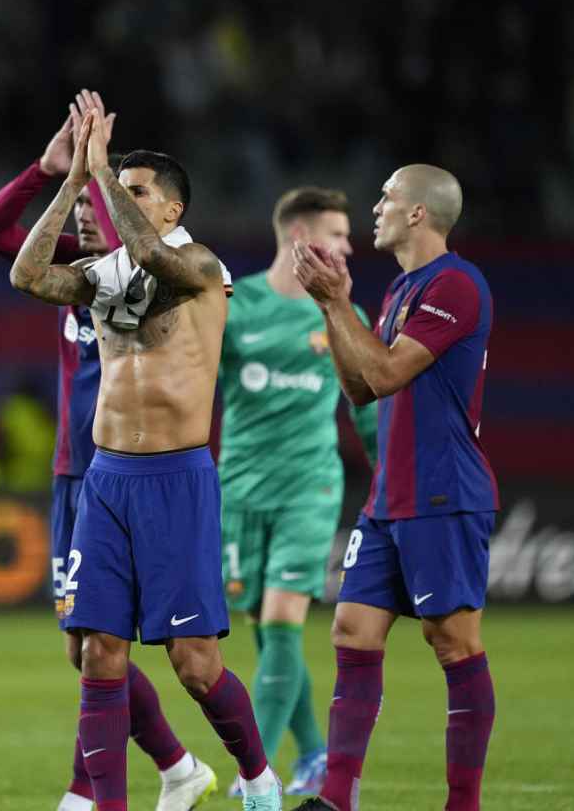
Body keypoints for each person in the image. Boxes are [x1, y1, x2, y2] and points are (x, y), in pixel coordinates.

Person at [10, 97, 281, 811]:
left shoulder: (199, 262)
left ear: (170, 208)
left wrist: (103, 172)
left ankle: (257, 776)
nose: (116, 200)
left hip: (176, 480)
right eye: (117, 188)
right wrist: (72, 183)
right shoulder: (104, 276)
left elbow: (157, 257)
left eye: (135, 192)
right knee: (98, 651)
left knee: (194, 665)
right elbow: (28, 277)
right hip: (106, 479)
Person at [0, 92, 219, 811]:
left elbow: (143, 241)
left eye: (93, 202)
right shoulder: (75, 271)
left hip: (143, 467)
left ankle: (90, 789)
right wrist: (52, 171)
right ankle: (174, 767)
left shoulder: (150, 273)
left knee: (108, 643)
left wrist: (99, 172)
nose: (83, 213)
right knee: (83, 646)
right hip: (76, 470)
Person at [289, 164, 497, 811]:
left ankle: (462, 804)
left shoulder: (455, 284)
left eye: (385, 197)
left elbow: (382, 374)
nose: (374, 207)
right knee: (351, 630)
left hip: (443, 490)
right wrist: (337, 306)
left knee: (453, 640)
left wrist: (331, 303)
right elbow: (360, 390)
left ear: (417, 213)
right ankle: (337, 798)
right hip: (392, 493)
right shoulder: (403, 289)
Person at [217, 187, 377, 799]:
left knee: (283, 624)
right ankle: (313, 751)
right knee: (262, 627)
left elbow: (366, 403)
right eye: (336, 235)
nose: (348, 246)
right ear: (298, 237)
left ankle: (252, 772)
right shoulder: (236, 305)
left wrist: (384, 470)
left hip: (309, 488)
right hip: (240, 489)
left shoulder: (340, 313)